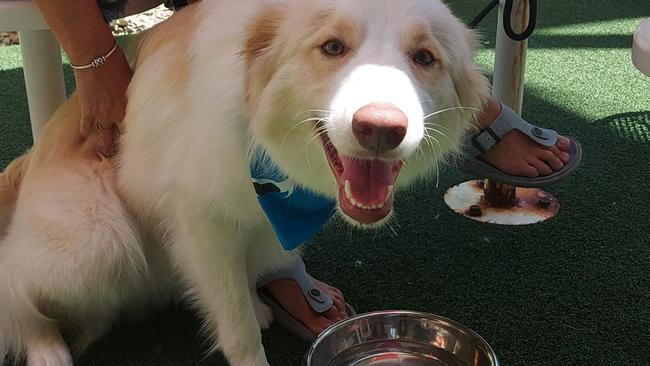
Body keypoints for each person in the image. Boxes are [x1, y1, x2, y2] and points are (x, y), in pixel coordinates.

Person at [33, 0, 574, 338]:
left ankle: (271, 264)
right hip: (118, 190)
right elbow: (203, 216)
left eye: (424, 58)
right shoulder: (236, 90)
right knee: (105, 259)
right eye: (334, 47)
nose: (384, 116)